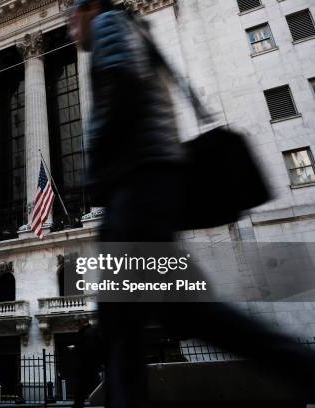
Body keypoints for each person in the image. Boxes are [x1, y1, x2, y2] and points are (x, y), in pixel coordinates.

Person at [69, 1, 315, 407]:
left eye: (72, 17)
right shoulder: (127, 28)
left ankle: (305, 367)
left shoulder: (111, 25)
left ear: (92, 8)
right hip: (142, 187)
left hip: (136, 190)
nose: (70, 29)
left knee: (166, 318)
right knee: (138, 322)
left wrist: (96, 162)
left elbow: (121, 86)